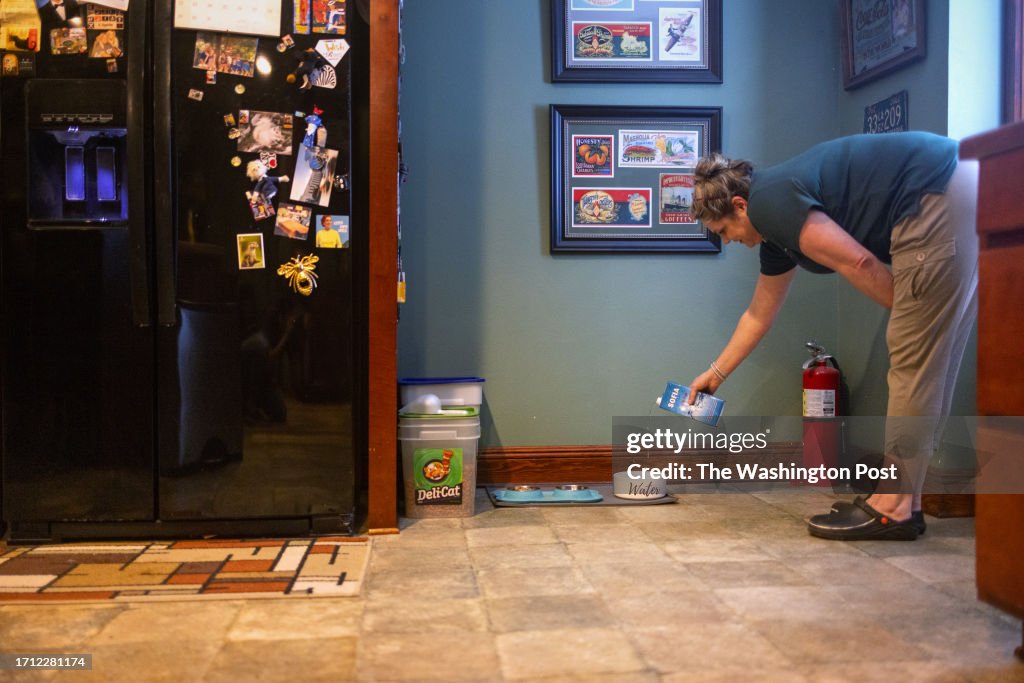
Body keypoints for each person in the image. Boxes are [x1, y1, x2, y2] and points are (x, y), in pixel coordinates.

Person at [687, 131, 978, 541]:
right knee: (931, 362)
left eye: (722, 230)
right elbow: (758, 315)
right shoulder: (776, 231)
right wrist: (715, 374)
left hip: (933, 192)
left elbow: (858, 262)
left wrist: (913, 315)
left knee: (915, 362)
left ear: (739, 205)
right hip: (954, 185)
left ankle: (891, 506)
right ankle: (904, 504)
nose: (729, 241)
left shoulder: (770, 201)